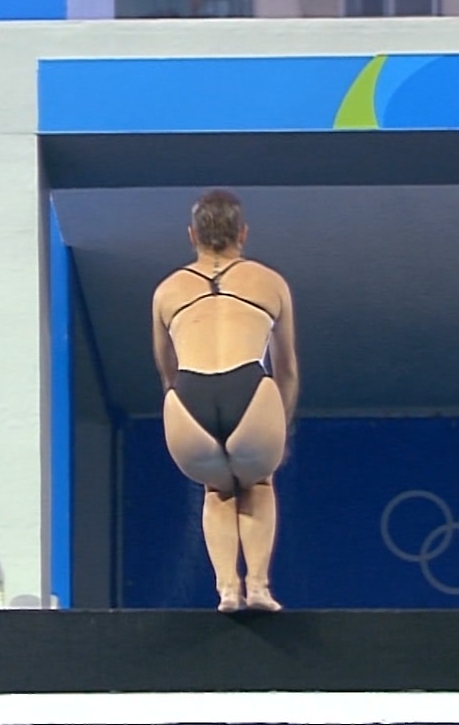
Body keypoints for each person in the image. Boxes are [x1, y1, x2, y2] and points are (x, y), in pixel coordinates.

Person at [151, 189, 299, 612]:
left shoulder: (166, 291)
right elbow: (287, 369)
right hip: (247, 390)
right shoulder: (270, 282)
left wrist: (183, 412)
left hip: (188, 400)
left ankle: (227, 590)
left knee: (216, 489)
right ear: (243, 234)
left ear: (191, 235)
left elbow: (167, 372)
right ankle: (258, 586)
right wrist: (281, 427)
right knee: (259, 481)